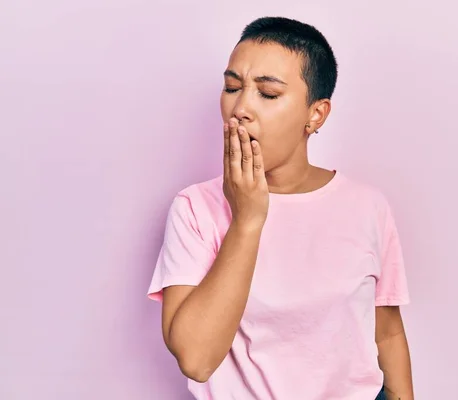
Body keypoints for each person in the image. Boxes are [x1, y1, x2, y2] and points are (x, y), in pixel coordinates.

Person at [147, 16, 414, 400]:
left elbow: (387, 332)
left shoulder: (367, 206)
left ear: (316, 114)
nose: (240, 108)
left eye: (267, 94)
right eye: (231, 87)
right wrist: (247, 219)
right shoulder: (194, 208)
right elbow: (196, 359)